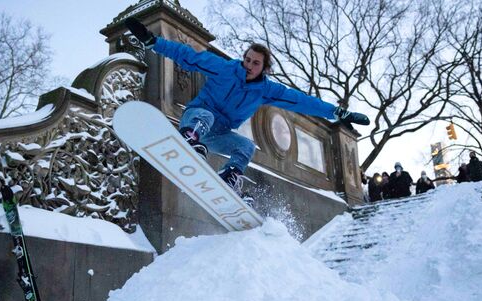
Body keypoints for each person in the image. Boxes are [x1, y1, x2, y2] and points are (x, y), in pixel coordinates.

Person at [124, 18, 370, 198]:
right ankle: (189, 138)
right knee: (206, 114)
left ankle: (229, 176)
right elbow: (186, 55)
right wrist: (152, 42)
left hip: (218, 135)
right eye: (247, 59)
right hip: (197, 119)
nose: (249, 65)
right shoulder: (225, 68)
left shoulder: (266, 90)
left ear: (264, 68)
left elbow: (300, 100)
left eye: (255, 63)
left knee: (246, 146)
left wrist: (337, 113)